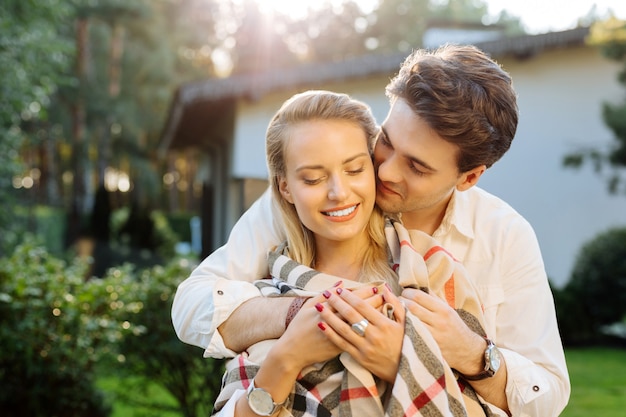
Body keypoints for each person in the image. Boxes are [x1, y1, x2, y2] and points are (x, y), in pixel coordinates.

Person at [172, 44, 570, 416]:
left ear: (469, 177)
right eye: (387, 141)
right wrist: (304, 313)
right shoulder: (316, 202)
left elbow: (547, 394)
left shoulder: (503, 236)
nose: (385, 171)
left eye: (416, 166)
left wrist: (467, 353)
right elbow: (192, 306)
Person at [211, 90, 493, 417]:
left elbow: (483, 406)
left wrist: (398, 362)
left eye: (355, 169)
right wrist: (287, 357)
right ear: (285, 187)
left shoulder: (434, 270)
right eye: (313, 178)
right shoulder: (266, 294)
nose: (338, 192)